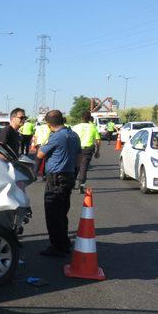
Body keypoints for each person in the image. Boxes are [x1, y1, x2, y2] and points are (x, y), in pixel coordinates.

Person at [37, 110, 81, 257]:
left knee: (52, 213)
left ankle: (57, 246)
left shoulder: (56, 137)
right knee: (62, 211)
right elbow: (79, 156)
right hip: (69, 175)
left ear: (49, 124)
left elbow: (40, 154)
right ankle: (64, 241)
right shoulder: (73, 134)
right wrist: (75, 172)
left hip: (56, 178)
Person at [72, 111, 101, 193]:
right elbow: (98, 140)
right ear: (89, 118)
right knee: (83, 168)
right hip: (87, 150)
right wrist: (97, 151)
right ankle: (81, 186)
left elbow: (70, 137)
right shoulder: (93, 127)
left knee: (75, 167)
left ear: (81, 118)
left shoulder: (75, 127)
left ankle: (72, 183)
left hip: (76, 149)